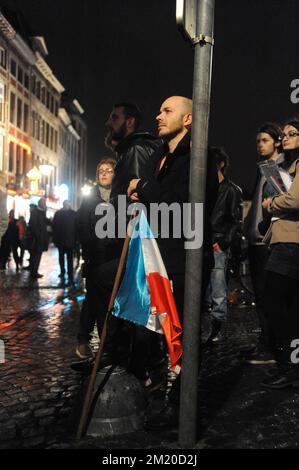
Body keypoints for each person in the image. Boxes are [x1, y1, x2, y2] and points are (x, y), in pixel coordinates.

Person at [127, 96, 218, 427]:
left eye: (167, 111)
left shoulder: (199, 157)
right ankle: (159, 390)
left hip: (186, 258)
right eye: (160, 109)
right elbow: (157, 198)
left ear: (189, 119)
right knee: (154, 328)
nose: (158, 115)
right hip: (158, 256)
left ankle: (181, 405)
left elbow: (181, 204)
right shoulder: (158, 156)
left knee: (181, 333)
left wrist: (142, 186)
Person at [73, 102, 160, 377]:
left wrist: (127, 228)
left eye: (115, 117)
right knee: (116, 294)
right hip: (127, 241)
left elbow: (138, 195)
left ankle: (128, 359)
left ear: (130, 122)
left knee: (124, 297)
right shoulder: (129, 150)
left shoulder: (134, 150)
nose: (109, 122)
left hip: (136, 243)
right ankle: (123, 357)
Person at [259, 118, 299, 389]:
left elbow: (296, 200)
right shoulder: (290, 167)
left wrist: (270, 202)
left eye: (292, 134)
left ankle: (288, 365)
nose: (285, 138)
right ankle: (291, 366)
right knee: (291, 306)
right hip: (286, 240)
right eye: (283, 134)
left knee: (272, 298)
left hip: (290, 243)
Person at [243, 122, 284, 364]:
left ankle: (269, 347)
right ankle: (265, 342)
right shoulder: (265, 167)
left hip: (265, 241)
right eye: (258, 141)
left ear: (277, 142)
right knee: (262, 295)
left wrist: (260, 230)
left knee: (267, 296)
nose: (260, 145)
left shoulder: (273, 167)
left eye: (265, 140)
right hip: (256, 239)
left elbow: (274, 205)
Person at [75, 158, 116, 359]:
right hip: (95, 258)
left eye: (108, 170)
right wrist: (90, 249)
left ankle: (107, 344)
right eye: (101, 170)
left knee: (109, 303)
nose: (104, 173)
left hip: (113, 259)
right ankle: (84, 340)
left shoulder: (119, 197)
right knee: (92, 301)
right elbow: (82, 226)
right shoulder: (90, 199)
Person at [205, 147, 243, 343]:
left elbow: (236, 221)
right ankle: (206, 326)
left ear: (221, 164)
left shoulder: (232, 190)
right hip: (204, 242)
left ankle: (216, 327)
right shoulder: (205, 189)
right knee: (204, 288)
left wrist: (222, 242)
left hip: (218, 244)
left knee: (218, 287)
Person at [52, 200, 77, 284]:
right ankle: (66, 273)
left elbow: (54, 228)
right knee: (66, 258)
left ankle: (66, 273)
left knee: (66, 258)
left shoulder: (59, 214)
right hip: (66, 240)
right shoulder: (72, 214)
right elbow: (54, 227)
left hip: (65, 240)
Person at [28, 198, 48, 279]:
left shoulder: (41, 212)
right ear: (40, 204)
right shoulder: (35, 212)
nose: (45, 205)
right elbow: (33, 225)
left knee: (37, 255)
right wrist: (38, 235)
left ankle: (34, 271)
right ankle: (34, 272)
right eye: (44, 203)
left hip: (40, 238)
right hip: (37, 239)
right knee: (35, 256)